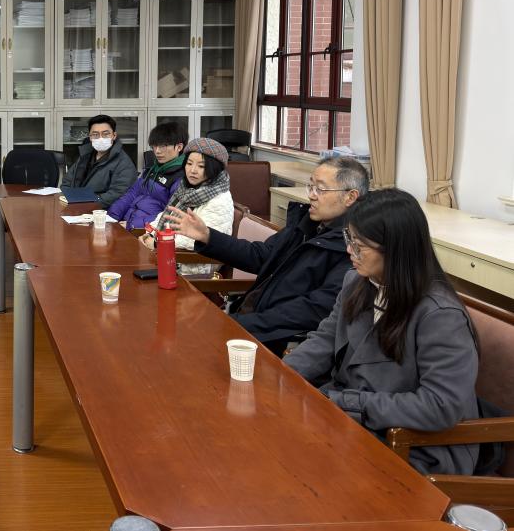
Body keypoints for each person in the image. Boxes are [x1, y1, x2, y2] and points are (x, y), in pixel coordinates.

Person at [285, 189, 480, 475]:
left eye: (359, 245)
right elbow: (325, 339)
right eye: (349, 239)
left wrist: (349, 402)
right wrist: (280, 375)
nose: (349, 251)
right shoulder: (357, 282)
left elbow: (440, 405)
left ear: (396, 249)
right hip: (355, 420)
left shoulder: (440, 314)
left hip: (415, 444)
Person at [164, 157, 369, 355]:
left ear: (350, 197)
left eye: (320, 189)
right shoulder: (308, 225)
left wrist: (237, 324)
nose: (311, 195)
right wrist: (208, 236)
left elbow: (311, 310)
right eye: (310, 186)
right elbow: (261, 255)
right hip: (248, 318)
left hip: (274, 339)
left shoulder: (352, 250)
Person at [140, 138, 233, 250]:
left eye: (201, 166)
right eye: (189, 163)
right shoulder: (186, 187)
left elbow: (201, 239)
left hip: (194, 258)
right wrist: (150, 234)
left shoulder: (220, 200)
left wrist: (157, 243)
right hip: (169, 249)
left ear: (215, 169)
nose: (192, 170)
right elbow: (168, 215)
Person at [109, 120, 187, 230]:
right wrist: (111, 217)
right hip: (125, 224)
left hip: (145, 232)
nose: (157, 151)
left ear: (179, 147)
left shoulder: (181, 178)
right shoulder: (152, 170)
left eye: (163, 146)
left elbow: (171, 216)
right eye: (154, 146)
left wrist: (132, 225)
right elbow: (131, 194)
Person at [62, 114, 137, 208]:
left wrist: (84, 203)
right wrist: (69, 198)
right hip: (76, 207)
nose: (100, 138)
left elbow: (117, 194)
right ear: (90, 137)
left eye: (105, 134)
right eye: (95, 134)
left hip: (101, 212)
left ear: (114, 135)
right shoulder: (85, 156)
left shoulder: (124, 163)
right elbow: (67, 182)